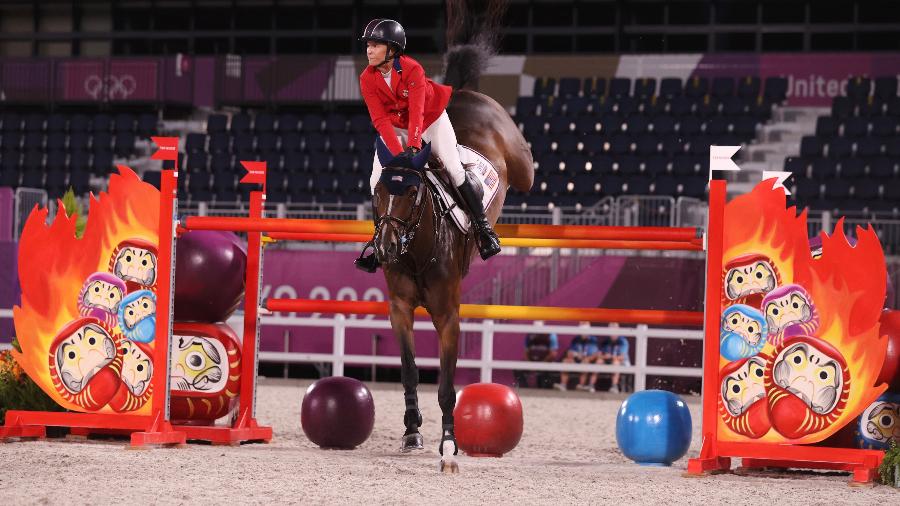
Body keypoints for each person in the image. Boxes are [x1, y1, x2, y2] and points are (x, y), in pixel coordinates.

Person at [353, 18, 501, 274]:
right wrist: (399, 153)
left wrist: (413, 147)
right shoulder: (367, 78)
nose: (369, 50)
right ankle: (379, 240)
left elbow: (418, 111)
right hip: (396, 125)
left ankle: (483, 229)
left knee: (454, 168)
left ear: (392, 49)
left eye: (375, 45)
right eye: (368, 45)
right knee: (375, 178)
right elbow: (379, 119)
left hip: (430, 118)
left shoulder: (412, 69)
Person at [553, 324, 600, 392]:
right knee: (566, 361)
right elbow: (570, 352)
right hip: (576, 359)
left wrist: (585, 358)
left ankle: (581, 385)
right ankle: (563, 385)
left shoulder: (593, 340)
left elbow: (594, 354)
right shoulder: (576, 339)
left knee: (585, 362)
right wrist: (575, 355)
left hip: (587, 360)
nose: (583, 334)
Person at [600, 323, 631, 393]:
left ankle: (614, 386)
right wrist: (605, 356)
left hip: (623, 362)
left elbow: (622, 357)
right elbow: (599, 354)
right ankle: (591, 385)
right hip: (609, 361)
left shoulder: (623, 341)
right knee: (599, 361)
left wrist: (611, 357)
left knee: (616, 362)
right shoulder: (606, 341)